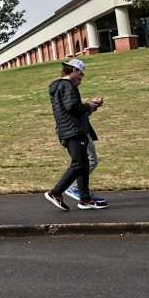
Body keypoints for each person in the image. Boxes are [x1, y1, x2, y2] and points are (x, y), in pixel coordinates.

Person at [45, 58, 106, 211]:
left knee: (84, 165)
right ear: (72, 70)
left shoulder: (61, 86)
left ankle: (85, 200)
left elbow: (71, 109)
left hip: (70, 130)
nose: (81, 76)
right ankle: (56, 192)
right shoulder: (67, 85)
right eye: (80, 72)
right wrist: (88, 105)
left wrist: (89, 107)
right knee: (79, 164)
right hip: (73, 131)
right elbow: (72, 107)